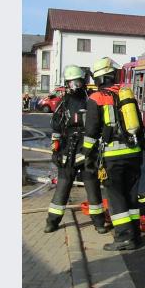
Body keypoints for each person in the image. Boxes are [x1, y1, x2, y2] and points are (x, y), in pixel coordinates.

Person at [82, 57, 145, 251]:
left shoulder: (96, 99)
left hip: (113, 157)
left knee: (116, 196)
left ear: (99, 79)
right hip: (135, 154)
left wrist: (87, 156)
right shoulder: (127, 94)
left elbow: (91, 133)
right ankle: (135, 234)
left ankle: (124, 238)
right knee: (131, 195)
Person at [44, 65, 108, 234]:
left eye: (77, 81)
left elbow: (99, 126)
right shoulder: (66, 102)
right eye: (73, 82)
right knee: (65, 186)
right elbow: (56, 129)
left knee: (91, 187)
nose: (75, 85)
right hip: (73, 151)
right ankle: (52, 221)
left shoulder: (89, 100)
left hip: (84, 151)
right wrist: (55, 150)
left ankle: (98, 223)